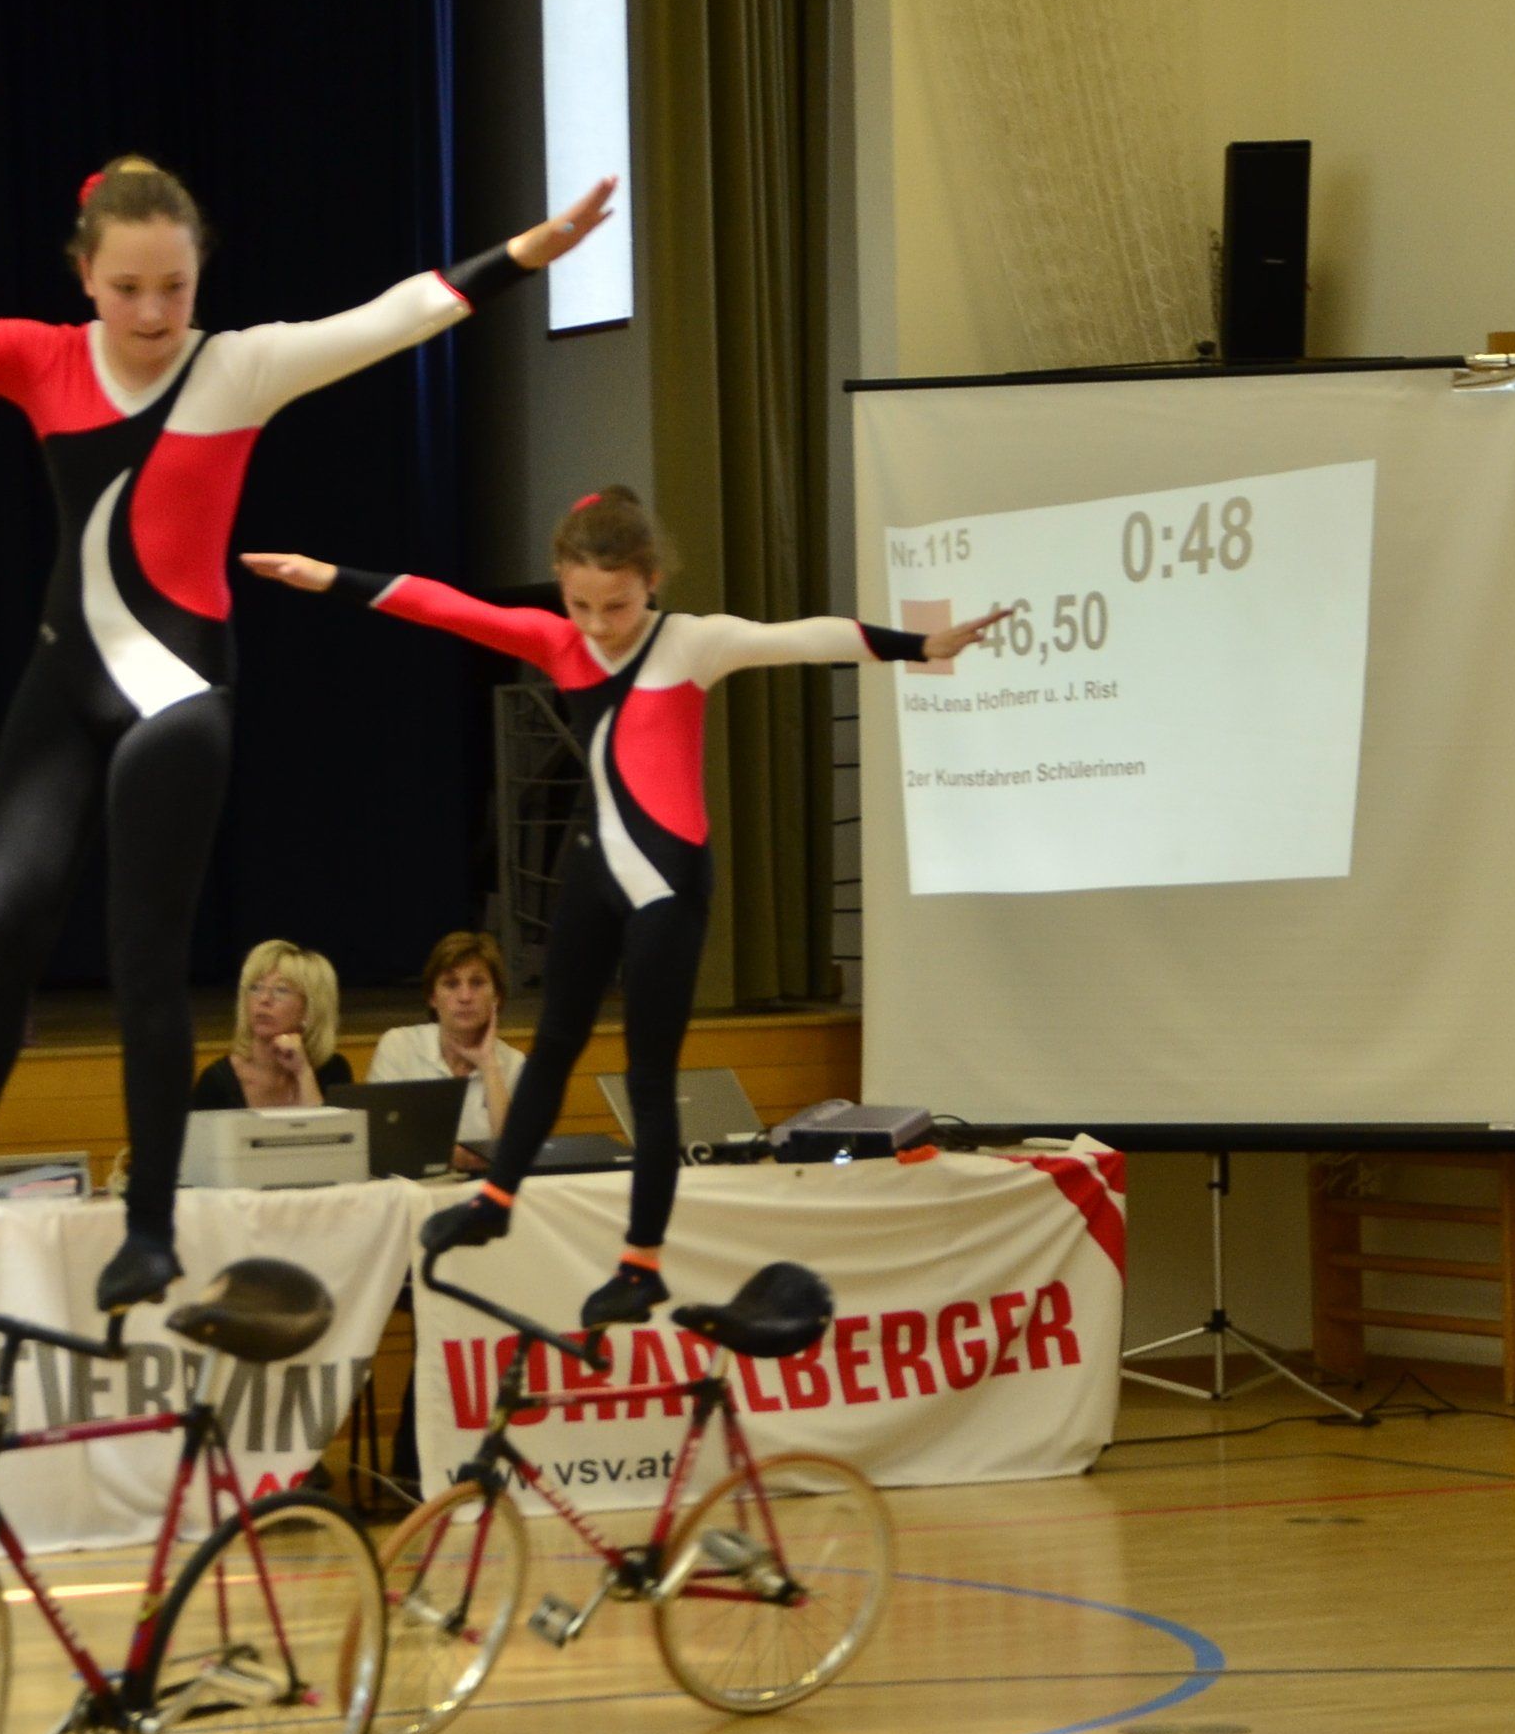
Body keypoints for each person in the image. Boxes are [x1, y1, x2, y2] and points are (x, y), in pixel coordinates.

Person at [0, 157, 614, 1310]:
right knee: (9, 925)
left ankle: (150, 1232)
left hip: (181, 698)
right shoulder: (41, 360)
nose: (150, 312)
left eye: (174, 287)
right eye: (127, 287)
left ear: (199, 278)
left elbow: (399, 314)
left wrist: (527, 253)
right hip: (65, 685)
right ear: (85, 275)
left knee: (144, 953)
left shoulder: (240, 367)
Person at [244, 488, 1008, 1325]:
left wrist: (919, 644)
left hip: (668, 884)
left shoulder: (693, 643)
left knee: (648, 1072)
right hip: (592, 865)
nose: (599, 624)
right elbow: (444, 606)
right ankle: (496, 1201)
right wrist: (326, 576)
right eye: (580, 605)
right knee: (555, 1041)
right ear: (561, 585)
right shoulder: (559, 640)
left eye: (616, 605)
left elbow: (805, 637)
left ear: (651, 580)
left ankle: (641, 1265)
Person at [366, 929, 527, 1165]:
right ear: (432, 997)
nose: (465, 996)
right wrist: (454, 1157)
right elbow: (380, 1142)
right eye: (451, 984)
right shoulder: (399, 1046)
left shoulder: (514, 1063)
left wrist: (489, 1065)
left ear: (497, 997)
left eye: (477, 983)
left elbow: (513, 1156)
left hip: (485, 1185)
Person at [193, 940, 350, 1111]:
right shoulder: (217, 1082)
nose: (264, 999)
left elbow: (328, 1129)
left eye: (281, 990)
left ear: (310, 1009)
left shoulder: (332, 1071)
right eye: (255, 988)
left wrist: (303, 1073)